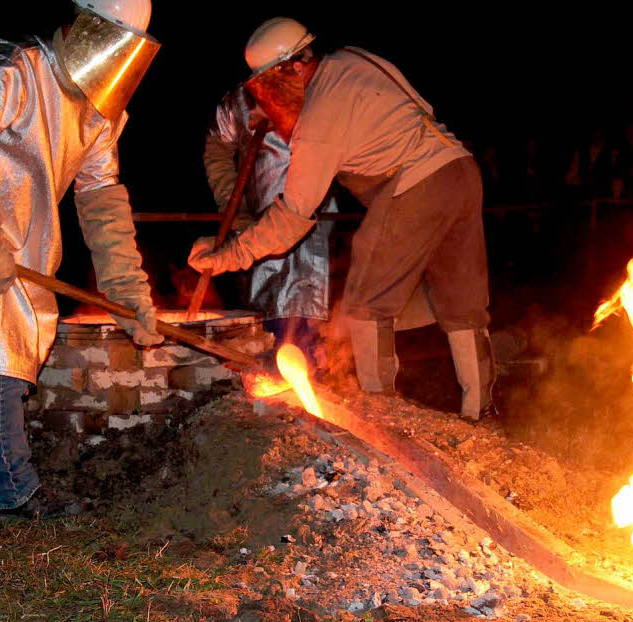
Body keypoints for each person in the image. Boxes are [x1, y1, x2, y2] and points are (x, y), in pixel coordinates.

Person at [0, 0, 163, 519]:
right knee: (3, 356)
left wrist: (126, 291)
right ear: (83, 25)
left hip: (30, 241)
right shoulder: (8, 67)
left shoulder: (99, 110)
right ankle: (16, 489)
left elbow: (101, 198)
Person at [188, 17, 495, 419]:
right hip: (460, 170)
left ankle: (382, 415)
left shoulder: (320, 116)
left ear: (295, 67)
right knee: (461, 304)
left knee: (368, 301)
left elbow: (293, 216)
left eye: (271, 85)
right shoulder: (351, 58)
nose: (268, 98)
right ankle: (481, 412)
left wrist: (229, 255)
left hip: (415, 184)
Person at [203, 86, 335, 370]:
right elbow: (217, 152)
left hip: (319, 219)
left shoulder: (321, 92)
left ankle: (325, 386)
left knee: (322, 318)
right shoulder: (237, 102)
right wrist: (235, 211)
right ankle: (277, 393)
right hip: (260, 227)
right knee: (268, 315)